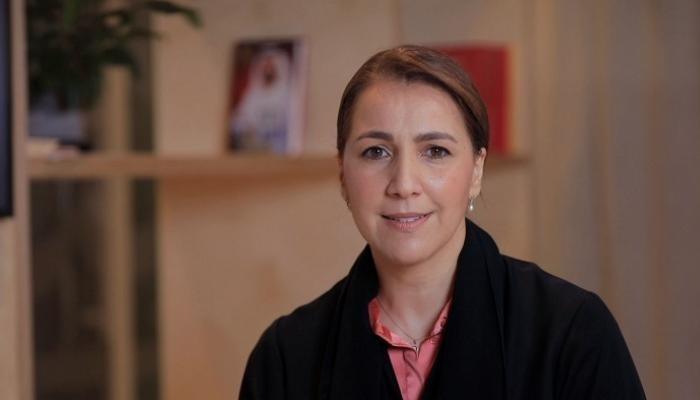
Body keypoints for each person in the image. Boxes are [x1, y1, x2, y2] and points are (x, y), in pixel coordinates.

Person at [239, 45, 645, 399]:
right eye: (376, 152)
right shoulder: (285, 356)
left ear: (477, 170)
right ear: (343, 173)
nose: (403, 184)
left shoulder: (572, 332)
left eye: (435, 151)